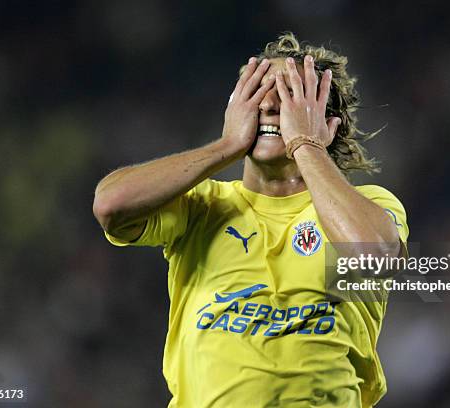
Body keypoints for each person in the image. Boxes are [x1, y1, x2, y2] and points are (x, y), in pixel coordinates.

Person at [93, 32, 409, 408]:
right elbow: (111, 205)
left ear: (328, 124)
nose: (271, 106)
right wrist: (225, 147)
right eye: (258, 93)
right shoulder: (201, 206)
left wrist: (305, 144)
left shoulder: (369, 204)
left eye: (291, 95)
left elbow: (375, 258)